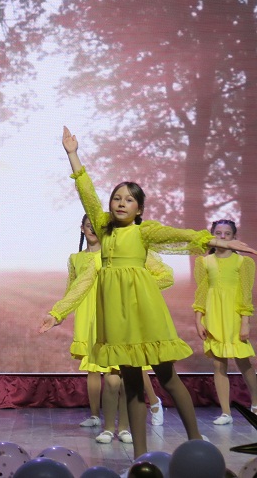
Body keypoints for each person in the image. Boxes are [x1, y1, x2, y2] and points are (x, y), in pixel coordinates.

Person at [61, 126, 257, 457]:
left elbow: (182, 235)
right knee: (131, 383)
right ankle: (140, 457)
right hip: (117, 315)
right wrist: (72, 154)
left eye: (129, 199)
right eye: (117, 198)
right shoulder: (104, 230)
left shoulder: (144, 232)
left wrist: (218, 241)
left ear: (139, 209)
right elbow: (86, 191)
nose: (121, 203)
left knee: (168, 377)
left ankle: (196, 440)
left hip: (144, 309)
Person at [39, 215, 172, 444]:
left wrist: (138, 288)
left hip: (123, 316)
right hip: (95, 316)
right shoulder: (88, 259)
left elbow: (165, 276)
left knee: (130, 371)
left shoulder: (131, 252)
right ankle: (105, 424)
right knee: (106, 374)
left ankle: (137, 418)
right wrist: (57, 314)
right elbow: (76, 288)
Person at [193, 219, 257, 425]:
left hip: (234, 316)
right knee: (219, 363)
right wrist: (199, 320)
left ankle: (256, 404)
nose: (222, 237)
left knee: (243, 361)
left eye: (227, 234)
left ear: (234, 237)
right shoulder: (204, 262)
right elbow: (201, 292)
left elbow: (245, 294)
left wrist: (245, 322)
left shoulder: (242, 262)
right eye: (218, 233)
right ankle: (226, 413)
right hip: (214, 316)